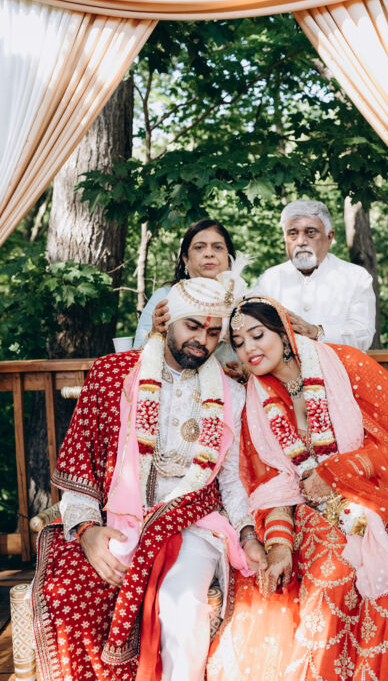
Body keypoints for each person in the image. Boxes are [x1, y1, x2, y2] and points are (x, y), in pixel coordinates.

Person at [207, 297, 388, 680]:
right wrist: (279, 544)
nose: (248, 348)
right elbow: (272, 484)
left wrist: (336, 473)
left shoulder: (346, 364)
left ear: (284, 334)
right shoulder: (255, 399)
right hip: (309, 509)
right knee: (333, 575)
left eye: (257, 335)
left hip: (379, 495)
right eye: (238, 342)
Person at [32, 277, 266, 681]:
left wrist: (247, 533)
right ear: (168, 322)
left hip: (193, 520)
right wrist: (87, 531)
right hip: (119, 518)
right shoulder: (113, 376)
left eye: (214, 332)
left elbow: (231, 481)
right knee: (71, 593)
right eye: (192, 326)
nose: (203, 341)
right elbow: (80, 466)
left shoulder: (233, 392)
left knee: (181, 604)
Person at [252, 198, 376, 350]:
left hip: (340, 365)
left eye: (310, 233)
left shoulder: (356, 277)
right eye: (293, 233)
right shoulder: (269, 280)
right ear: (285, 239)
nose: (301, 241)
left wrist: (317, 332)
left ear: (329, 237)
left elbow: (363, 335)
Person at [134, 218, 236, 349]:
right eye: (199, 247)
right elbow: (136, 355)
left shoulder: (240, 301)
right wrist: (155, 335)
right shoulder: (164, 297)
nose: (209, 253)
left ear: (229, 257)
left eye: (218, 247)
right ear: (186, 258)